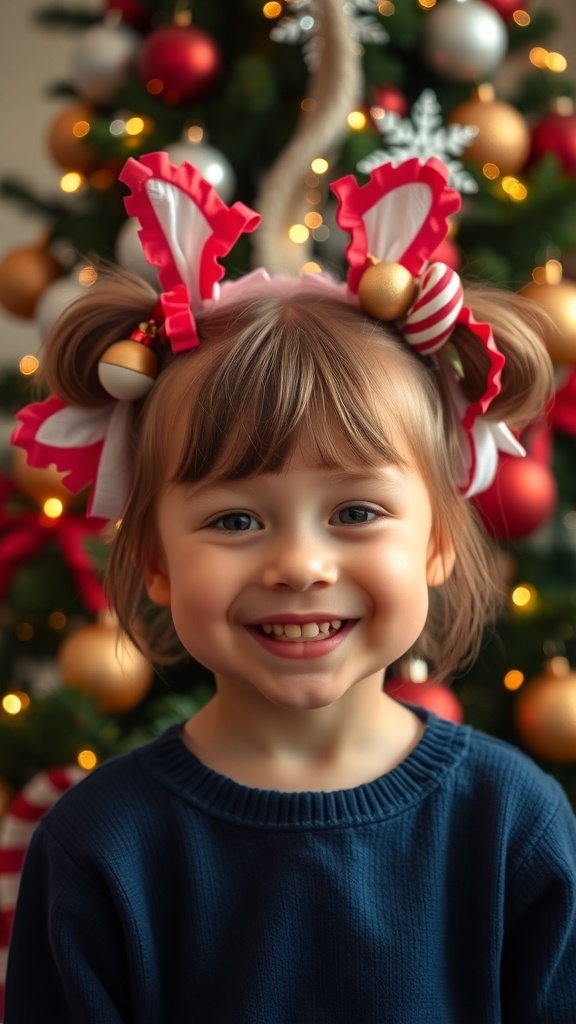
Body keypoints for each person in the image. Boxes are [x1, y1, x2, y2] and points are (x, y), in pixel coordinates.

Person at [5, 153, 576, 1024]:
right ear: (154, 557)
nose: (300, 566)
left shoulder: (513, 823)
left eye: (354, 510)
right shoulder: (98, 845)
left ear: (437, 544)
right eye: (236, 521)